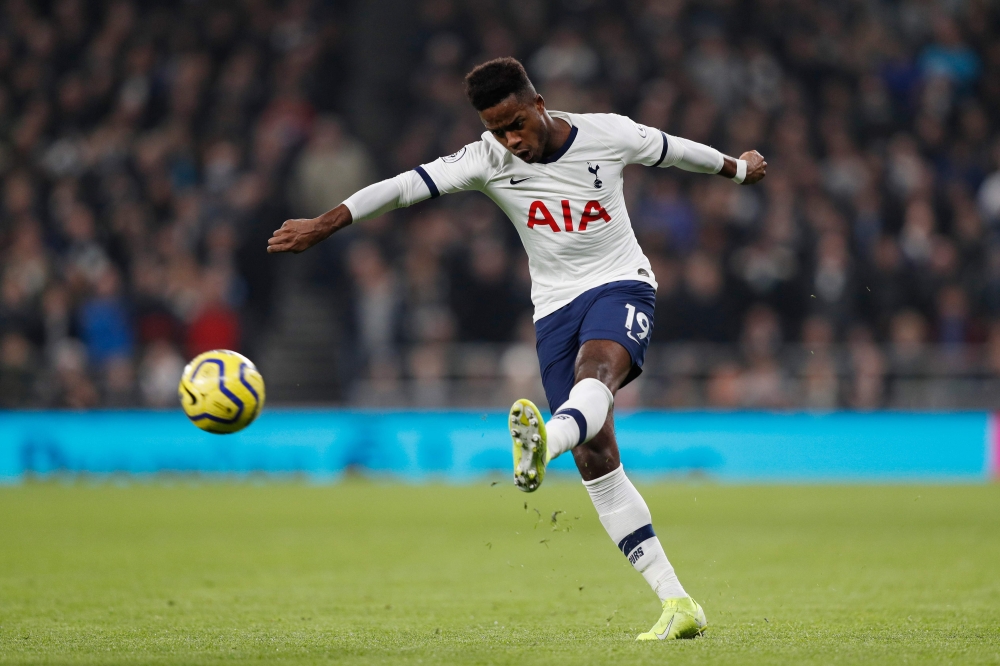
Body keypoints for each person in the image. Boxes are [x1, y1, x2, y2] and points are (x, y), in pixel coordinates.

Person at [267, 57, 766, 641]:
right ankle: (679, 604)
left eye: (515, 124)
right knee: (598, 460)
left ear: (539, 103)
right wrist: (326, 224)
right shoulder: (487, 158)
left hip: (620, 281)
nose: (510, 140)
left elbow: (676, 150)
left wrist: (737, 169)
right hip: (554, 310)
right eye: (496, 128)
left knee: (596, 375)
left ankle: (546, 441)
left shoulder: (608, 133)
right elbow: (403, 187)